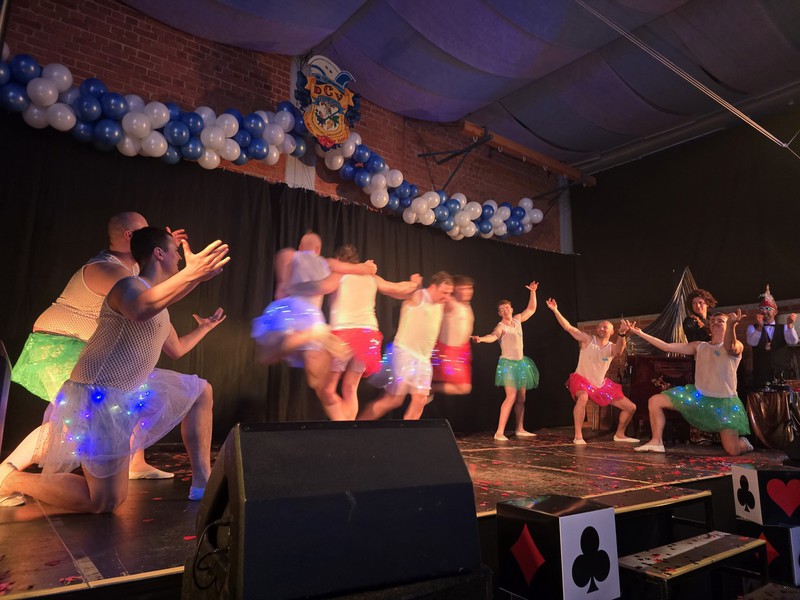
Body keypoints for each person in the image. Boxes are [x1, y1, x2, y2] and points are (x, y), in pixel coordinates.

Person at [0, 227, 230, 512]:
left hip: (129, 392)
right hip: (98, 398)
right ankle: (8, 479)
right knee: (104, 501)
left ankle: (203, 483)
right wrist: (191, 275)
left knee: (200, 391)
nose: (180, 259)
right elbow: (139, 309)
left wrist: (204, 323)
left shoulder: (159, 304)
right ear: (159, 253)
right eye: (176, 252)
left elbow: (177, 348)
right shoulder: (128, 286)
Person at [11, 211, 186, 480]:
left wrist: (164, 249)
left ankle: (134, 463)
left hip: (81, 344)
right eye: (145, 231)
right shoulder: (107, 269)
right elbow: (148, 300)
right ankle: (6, 472)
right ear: (129, 236)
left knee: (133, 393)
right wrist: (166, 254)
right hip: (58, 344)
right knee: (73, 419)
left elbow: (154, 285)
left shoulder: (130, 270)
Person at [252, 233, 376, 420]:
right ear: (318, 249)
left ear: (300, 247)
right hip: (310, 317)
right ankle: (310, 335)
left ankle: (344, 423)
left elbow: (282, 282)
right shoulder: (327, 263)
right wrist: (367, 267)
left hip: (285, 311)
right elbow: (332, 283)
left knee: (266, 356)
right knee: (317, 383)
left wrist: (288, 285)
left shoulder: (289, 255)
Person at [625, 311, 753, 456]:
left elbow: (730, 347)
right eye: (713, 321)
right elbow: (667, 347)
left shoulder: (736, 345)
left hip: (724, 405)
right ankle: (656, 441)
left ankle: (745, 444)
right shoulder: (699, 346)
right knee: (655, 401)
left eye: (720, 321)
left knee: (733, 450)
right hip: (699, 398)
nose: (715, 322)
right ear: (709, 328)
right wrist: (640, 333)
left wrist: (731, 326)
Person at [316, 244, 420, 420]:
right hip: (368, 336)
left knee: (327, 388)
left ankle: (341, 425)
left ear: (339, 260)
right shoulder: (371, 277)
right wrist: (414, 284)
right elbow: (397, 288)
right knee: (350, 387)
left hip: (343, 335)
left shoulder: (338, 274)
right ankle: (349, 428)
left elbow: (322, 286)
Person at [357, 271, 454, 421]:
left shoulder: (441, 304)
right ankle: (357, 427)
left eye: (449, 293)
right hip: (404, 353)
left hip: (423, 359)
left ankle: (407, 433)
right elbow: (389, 289)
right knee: (393, 400)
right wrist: (365, 271)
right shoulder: (417, 295)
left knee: (420, 399)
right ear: (433, 287)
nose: (447, 297)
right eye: (444, 293)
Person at [545, 298, 639, 445]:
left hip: (599, 385)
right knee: (583, 396)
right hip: (580, 381)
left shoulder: (611, 347)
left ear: (612, 332)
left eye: (604, 327)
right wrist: (555, 310)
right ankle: (578, 436)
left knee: (631, 407)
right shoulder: (587, 340)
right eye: (599, 327)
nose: (601, 329)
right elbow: (568, 327)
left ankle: (620, 434)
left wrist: (622, 334)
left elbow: (619, 351)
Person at [471, 282, 539, 441]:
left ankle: (520, 429)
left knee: (521, 398)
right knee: (511, 396)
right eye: (502, 309)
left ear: (512, 309)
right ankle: (499, 432)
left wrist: (533, 292)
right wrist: (481, 339)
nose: (505, 311)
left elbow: (531, 309)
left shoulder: (518, 320)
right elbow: (493, 336)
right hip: (508, 365)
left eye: (507, 308)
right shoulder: (501, 326)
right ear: (499, 313)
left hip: (521, 364)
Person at [429, 275, 475, 401]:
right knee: (464, 387)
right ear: (454, 290)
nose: (467, 292)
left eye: (469, 288)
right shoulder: (450, 302)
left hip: (460, 353)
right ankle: (430, 388)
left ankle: (430, 388)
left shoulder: (466, 305)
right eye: (462, 289)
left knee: (465, 388)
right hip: (446, 353)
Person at [746, 285, 798, 388]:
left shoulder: (784, 327)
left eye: (768, 309)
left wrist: (790, 325)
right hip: (761, 374)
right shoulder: (752, 328)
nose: (764, 311)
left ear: (775, 312)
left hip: (781, 373)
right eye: (761, 309)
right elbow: (752, 342)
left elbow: (793, 341)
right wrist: (760, 327)